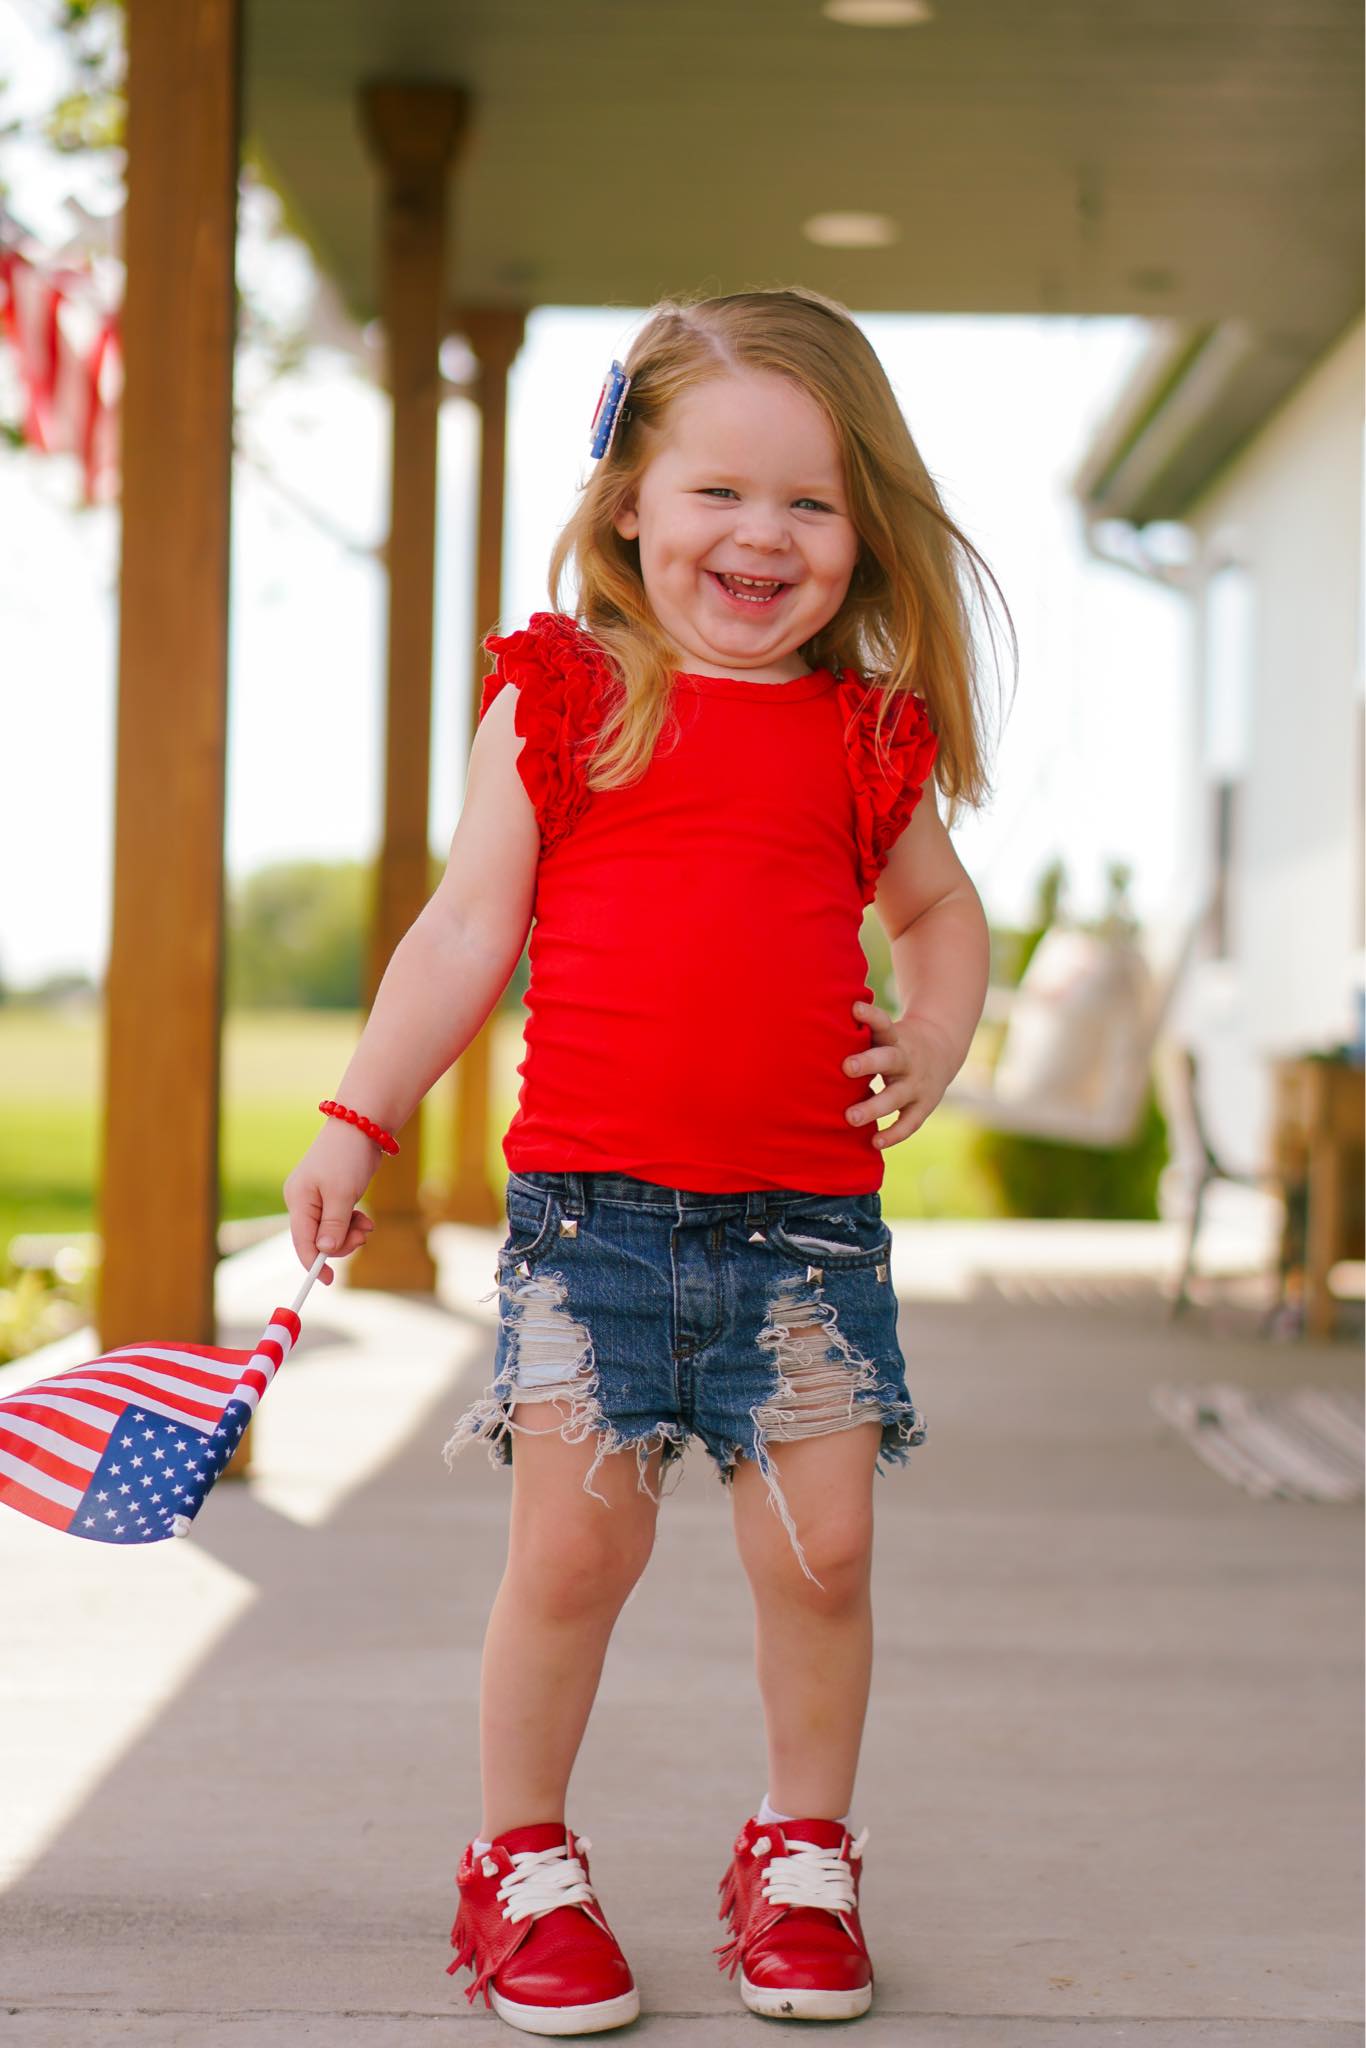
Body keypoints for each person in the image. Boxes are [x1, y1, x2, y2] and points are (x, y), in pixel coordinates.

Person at [283, 284, 1011, 2036]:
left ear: (861, 528)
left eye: (811, 504)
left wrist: (927, 1034)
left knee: (821, 1557)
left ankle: (801, 1851)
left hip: (807, 1237)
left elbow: (942, 915)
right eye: (718, 493)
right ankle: (520, 1863)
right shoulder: (565, 701)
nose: (762, 536)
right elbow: (465, 931)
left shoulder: (858, 734)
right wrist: (357, 1112)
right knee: (571, 1565)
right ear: (627, 499)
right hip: (591, 1225)